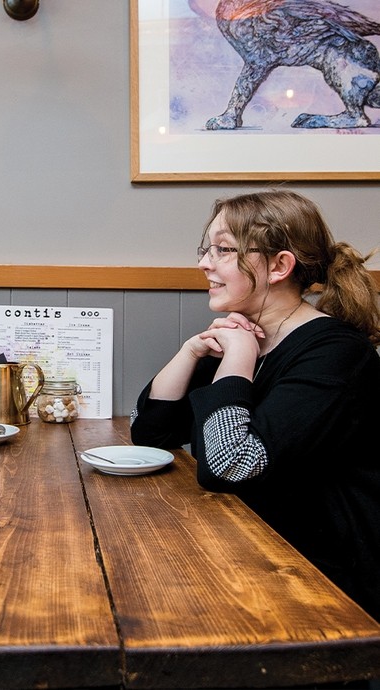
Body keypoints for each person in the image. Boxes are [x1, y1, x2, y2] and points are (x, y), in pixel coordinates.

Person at [130, 189, 380, 620]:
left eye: (223, 249)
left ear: (280, 265)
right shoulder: (249, 335)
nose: (204, 263)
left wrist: (239, 357)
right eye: (207, 249)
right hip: (252, 548)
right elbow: (151, 432)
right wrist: (190, 352)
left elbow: (232, 464)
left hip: (324, 579)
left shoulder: (335, 353)